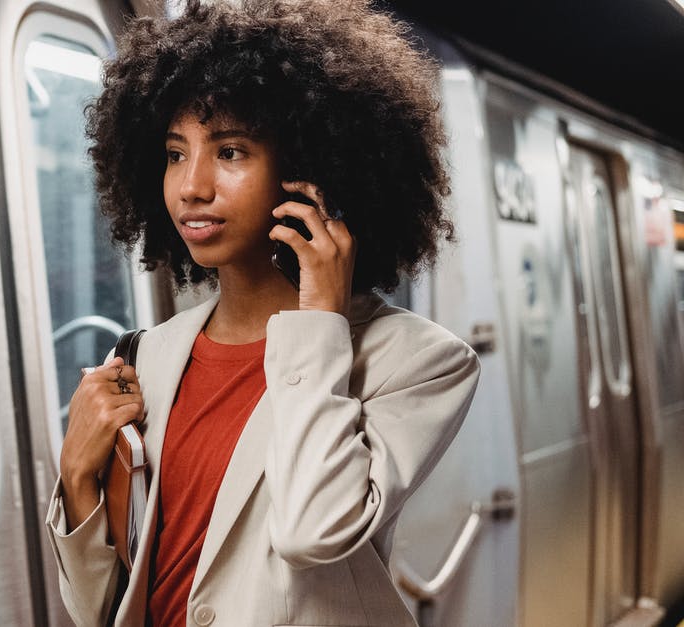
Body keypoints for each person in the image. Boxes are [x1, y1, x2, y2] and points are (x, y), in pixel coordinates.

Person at [44, 0, 481, 625]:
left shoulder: (419, 363)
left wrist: (319, 326)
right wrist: (78, 475)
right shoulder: (148, 356)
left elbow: (313, 532)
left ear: (309, 170)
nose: (191, 185)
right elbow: (102, 610)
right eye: (174, 153)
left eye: (230, 152)